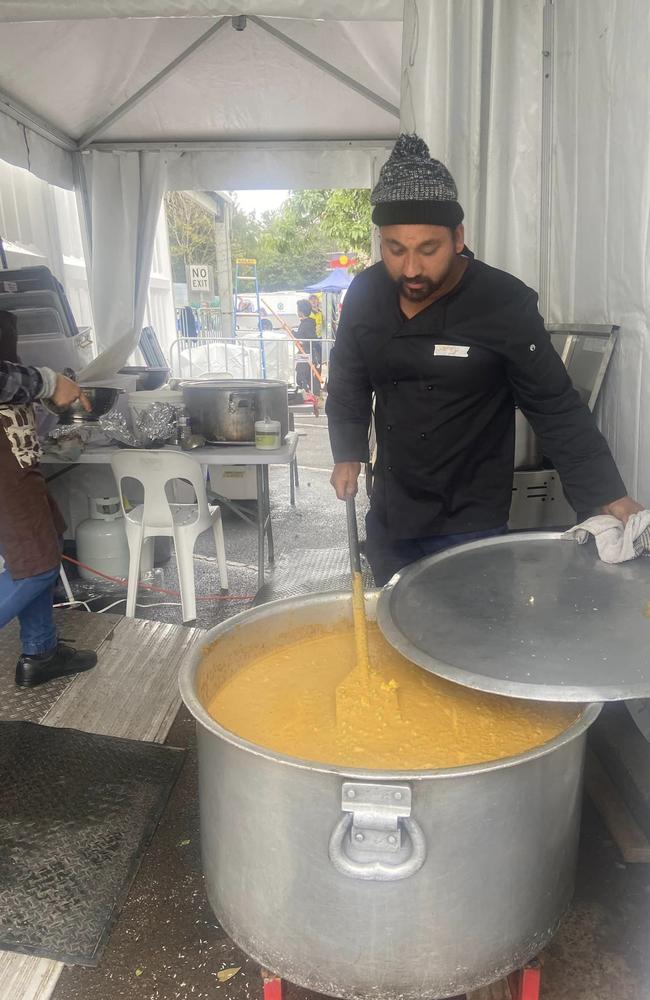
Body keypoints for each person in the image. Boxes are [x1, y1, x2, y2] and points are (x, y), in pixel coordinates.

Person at [326, 134, 642, 585]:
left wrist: (611, 496)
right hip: (393, 509)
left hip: (470, 515)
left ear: (458, 237)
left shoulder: (503, 302)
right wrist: (347, 452)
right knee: (394, 630)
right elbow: (348, 377)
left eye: (427, 249)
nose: (411, 268)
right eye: (395, 249)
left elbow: (554, 405)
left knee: (468, 632)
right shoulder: (366, 293)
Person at [0, 310, 98, 687]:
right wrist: (47, 382)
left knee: (49, 538)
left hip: (15, 451)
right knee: (37, 565)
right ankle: (40, 651)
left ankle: (40, 652)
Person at [295, 298, 321, 397]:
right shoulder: (306, 323)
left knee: (304, 375)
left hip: (307, 352)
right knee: (303, 374)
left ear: (301, 311)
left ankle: (311, 395)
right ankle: (309, 394)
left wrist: (295, 335)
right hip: (304, 352)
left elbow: (310, 337)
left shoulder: (308, 323)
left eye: (298, 310)